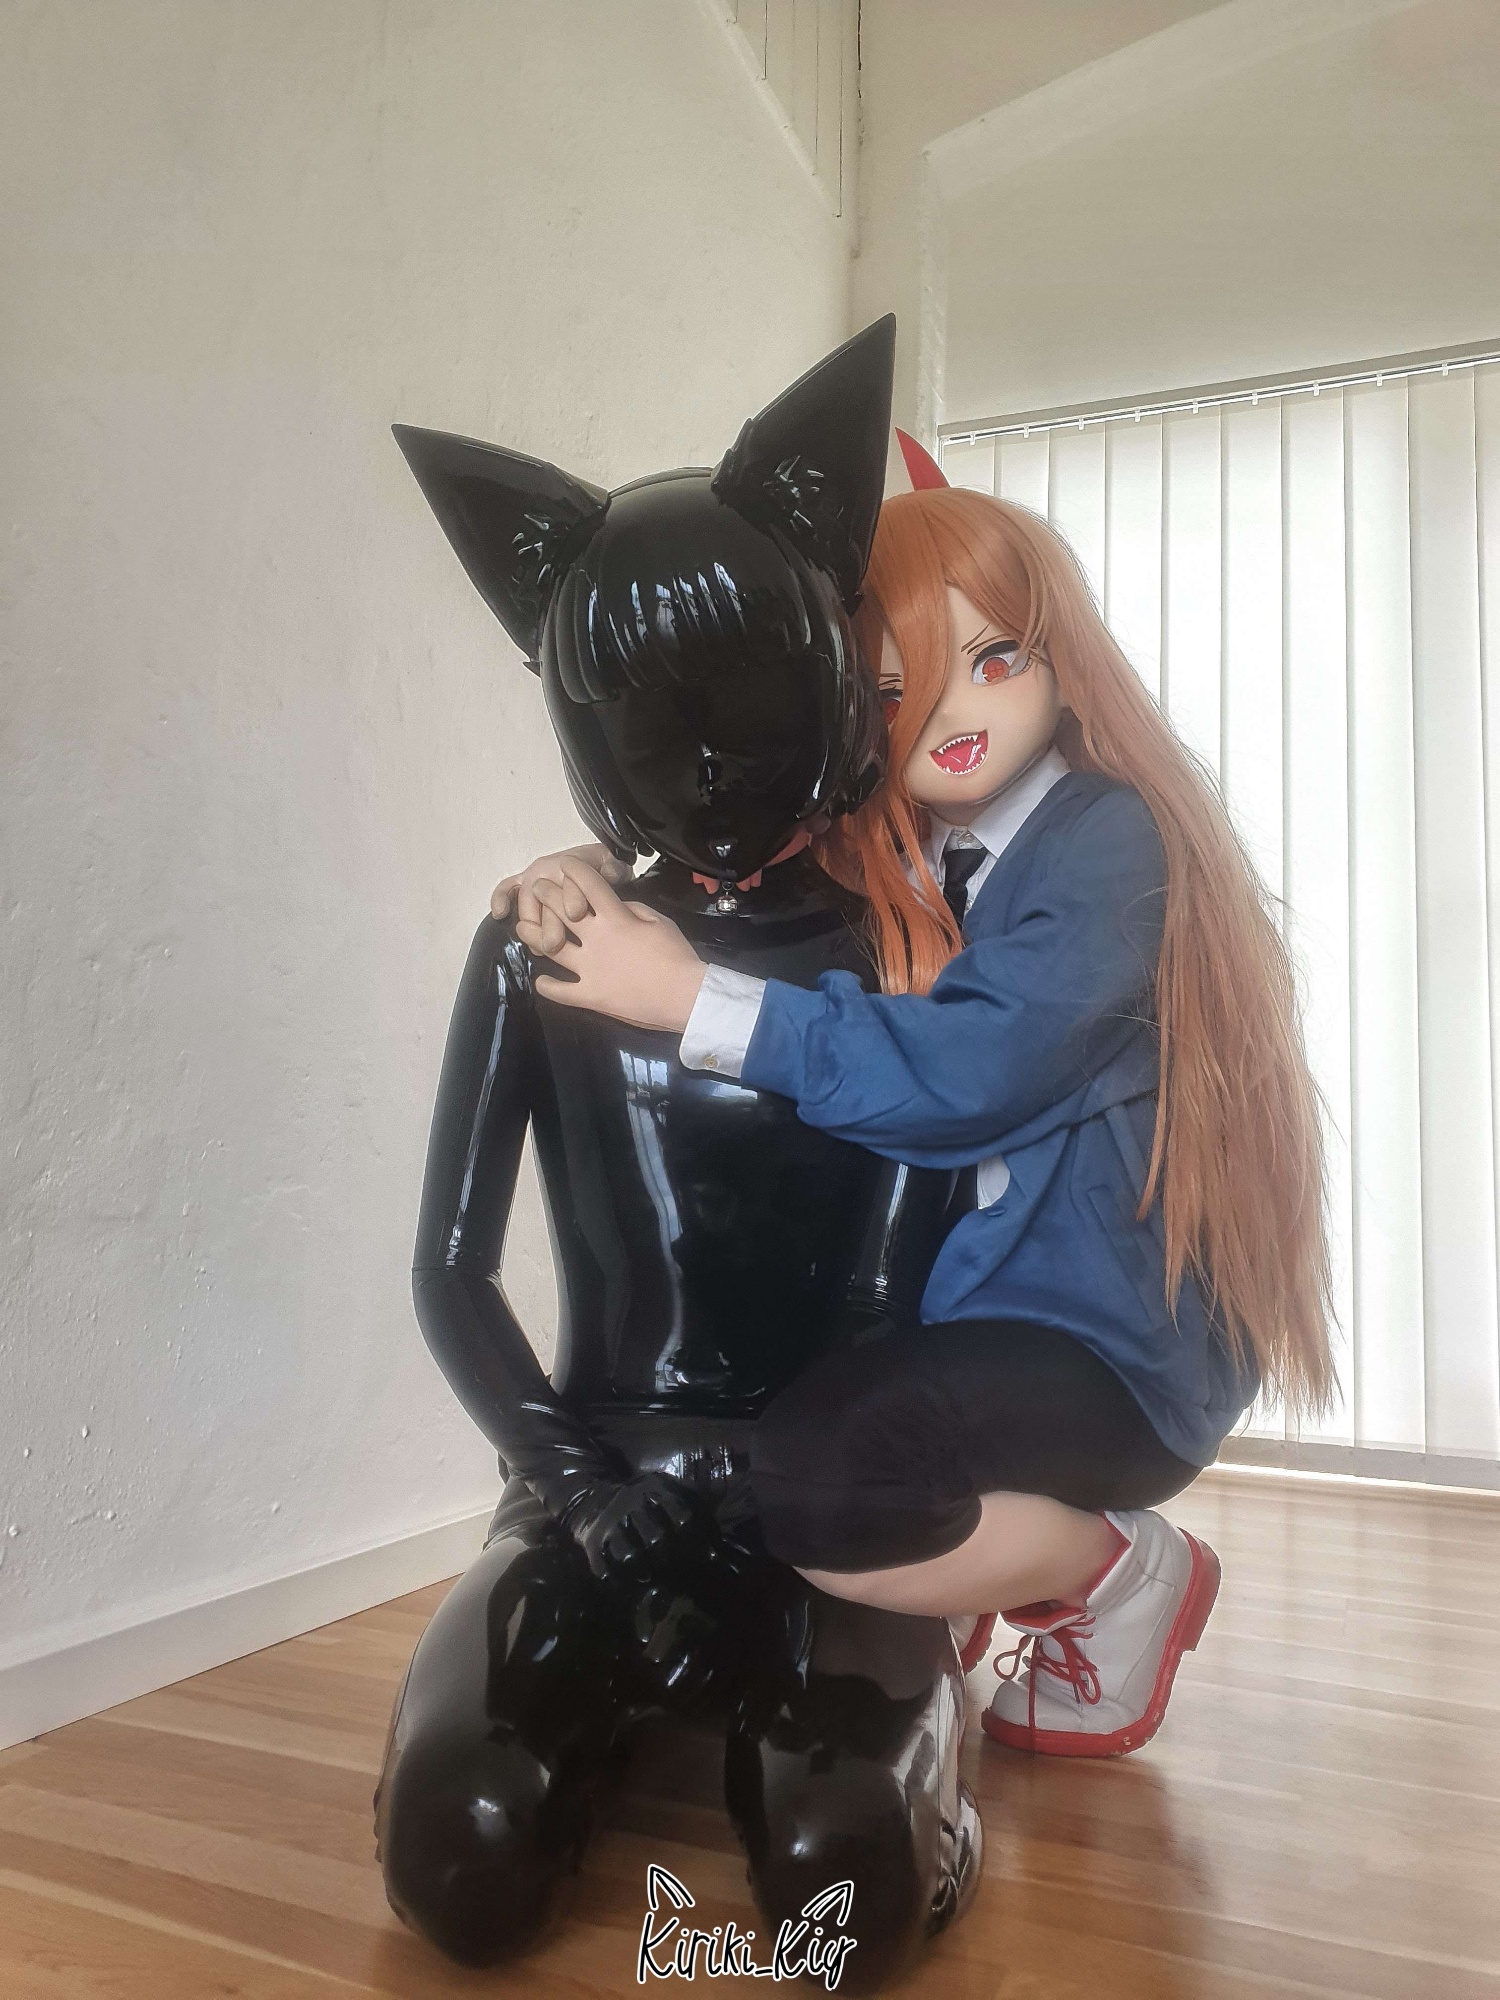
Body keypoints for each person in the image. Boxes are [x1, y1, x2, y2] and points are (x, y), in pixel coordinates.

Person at [502, 477, 1335, 1759]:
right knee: (800, 1449)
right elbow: (739, 847)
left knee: (823, 1482)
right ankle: (970, 1563)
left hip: (1104, 1346)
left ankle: (1121, 1575)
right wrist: (592, 863)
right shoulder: (904, 848)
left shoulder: (1107, 838)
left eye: (992, 658)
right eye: (897, 691)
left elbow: (975, 1070)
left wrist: (690, 1000)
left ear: (1064, 654)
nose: (952, 714)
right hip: (978, 1320)